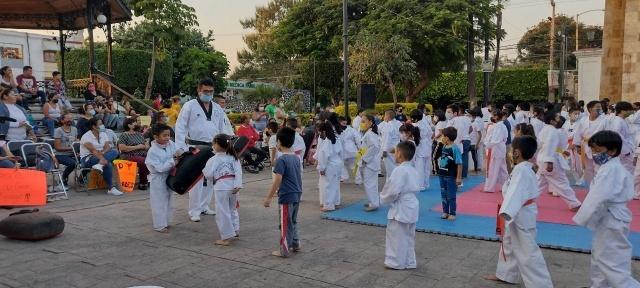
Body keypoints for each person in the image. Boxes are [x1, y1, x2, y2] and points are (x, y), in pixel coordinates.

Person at [573, 131, 640, 288]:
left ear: (612, 151)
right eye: (593, 150)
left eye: (597, 150)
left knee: (611, 263)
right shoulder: (609, 167)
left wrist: (582, 217)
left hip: (612, 220)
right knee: (599, 257)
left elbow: (598, 196)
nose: (595, 154)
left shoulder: (612, 170)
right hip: (609, 218)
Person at [484, 135, 553, 287]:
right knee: (508, 244)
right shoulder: (523, 168)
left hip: (520, 214)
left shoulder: (522, 170)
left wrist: (506, 211)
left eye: (511, 150)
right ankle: (506, 274)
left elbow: (515, 192)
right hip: (516, 211)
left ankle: (541, 284)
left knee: (527, 251)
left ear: (517, 153)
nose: (509, 152)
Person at [175, 78, 227, 222]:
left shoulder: (217, 108)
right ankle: (194, 210)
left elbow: (222, 128)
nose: (208, 94)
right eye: (205, 91)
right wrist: (180, 148)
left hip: (214, 147)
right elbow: (180, 127)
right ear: (199, 91)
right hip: (195, 147)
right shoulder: (189, 106)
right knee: (196, 180)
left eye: (211, 91)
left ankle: (204, 206)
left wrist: (224, 146)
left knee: (210, 178)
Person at [380, 141, 420, 270]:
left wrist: (382, 198)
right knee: (409, 236)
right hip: (412, 205)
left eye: (396, 152)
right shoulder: (413, 169)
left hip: (401, 206)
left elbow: (392, 191)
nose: (394, 155)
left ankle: (395, 262)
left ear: (400, 154)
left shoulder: (399, 170)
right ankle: (409, 261)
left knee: (396, 235)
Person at [263, 127, 302, 258]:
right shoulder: (296, 158)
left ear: (279, 142)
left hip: (286, 195)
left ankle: (284, 249)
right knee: (293, 220)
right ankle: (295, 243)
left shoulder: (282, 160)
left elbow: (277, 179)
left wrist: (269, 198)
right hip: (297, 193)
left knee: (285, 222)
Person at [203, 134, 243, 246]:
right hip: (234, 187)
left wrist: (211, 177)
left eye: (213, 143)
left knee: (222, 212)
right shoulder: (234, 157)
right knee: (233, 208)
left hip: (221, 187)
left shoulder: (213, 159)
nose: (213, 145)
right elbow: (238, 173)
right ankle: (235, 230)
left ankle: (226, 237)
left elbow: (209, 174)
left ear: (217, 144)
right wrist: (237, 185)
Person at [537, 111, 581, 211]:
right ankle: (574, 204)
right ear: (552, 121)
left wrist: (562, 151)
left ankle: (525, 199)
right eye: (557, 117)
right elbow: (549, 147)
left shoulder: (545, 129)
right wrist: (549, 162)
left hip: (543, 159)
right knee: (561, 182)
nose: (559, 118)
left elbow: (546, 146)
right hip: (550, 161)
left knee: (538, 183)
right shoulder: (552, 131)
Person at [145, 124, 178, 233]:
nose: (167, 138)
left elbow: (177, 153)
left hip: (170, 176)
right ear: (156, 137)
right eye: (164, 135)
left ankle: (167, 222)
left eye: (168, 135)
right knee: (159, 202)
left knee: (169, 200)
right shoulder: (152, 151)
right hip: (158, 178)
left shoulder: (171, 144)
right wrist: (173, 161)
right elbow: (159, 168)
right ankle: (159, 225)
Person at [79, 118, 122, 196]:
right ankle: (110, 188)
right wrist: (102, 158)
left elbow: (107, 147)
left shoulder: (103, 134)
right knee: (107, 163)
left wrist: (103, 153)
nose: (103, 126)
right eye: (100, 124)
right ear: (94, 126)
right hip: (88, 158)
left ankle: (100, 165)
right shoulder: (86, 136)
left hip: (101, 155)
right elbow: (93, 151)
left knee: (115, 151)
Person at [573, 100, 606, 189]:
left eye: (601, 107)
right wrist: (578, 146)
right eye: (598, 107)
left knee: (599, 169)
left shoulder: (604, 120)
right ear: (590, 109)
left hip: (599, 147)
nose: (600, 109)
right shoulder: (583, 120)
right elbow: (578, 133)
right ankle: (591, 188)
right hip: (585, 146)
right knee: (588, 170)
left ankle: (599, 189)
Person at [316, 122, 342, 212]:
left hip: (330, 165)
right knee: (335, 184)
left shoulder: (327, 141)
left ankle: (328, 205)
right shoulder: (336, 139)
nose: (319, 134)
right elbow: (341, 152)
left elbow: (324, 156)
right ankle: (336, 202)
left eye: (319, 132)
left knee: (329, 186)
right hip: (338, 163)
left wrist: (321, 168)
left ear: (323, 131)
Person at [437, 127, 463, 221]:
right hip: (442, 174)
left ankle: (452, 213)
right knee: (443, 194)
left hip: (451, 176)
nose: (442, 137)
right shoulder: (444, 146)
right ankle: (445, 211)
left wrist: (458, 178)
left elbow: (459, 163)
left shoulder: (455, 148)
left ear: (447, 137)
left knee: (451, 195)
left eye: (443, 136)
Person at [118, 118, 150, 190]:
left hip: (142, 153)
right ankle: (143, 182)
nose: (137, 124)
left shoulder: (139, 134)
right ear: (129, 125)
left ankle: (151, 180)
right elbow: (122, 148)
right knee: (144, 161)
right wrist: (137, 147)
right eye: (134, 122)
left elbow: (146, 145)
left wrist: (145, 146)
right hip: (129, 155)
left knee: (153, 159)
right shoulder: (124, 135)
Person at [359, 114, 381, 212]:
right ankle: (373, 201)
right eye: (361, 121)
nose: (362, 123)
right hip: (370, 162)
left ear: (370, 122)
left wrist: (365, 159)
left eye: (364, 121)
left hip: (370, 163)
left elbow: (375, 147)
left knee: (370, 184)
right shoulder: (368, 133)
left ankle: (374, 204)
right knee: (372, 184)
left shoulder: (370, 134)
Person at [484, 110, 509, 193]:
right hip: (500, 148)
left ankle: (489, 188)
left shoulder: (499, 126)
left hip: (496, 148)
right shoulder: (501, 125)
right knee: (502, 169)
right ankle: (506, 186)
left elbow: (496, 140)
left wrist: (487, 145)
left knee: (493, 168)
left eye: (494, 116)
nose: (493, 117)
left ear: (497, 117)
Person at [606, 101, 634, 174]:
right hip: (623, 152)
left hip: (625, 150)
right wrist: (626, 151)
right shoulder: (617, 121)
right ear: (623, 111)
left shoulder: (622, 120)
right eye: (629, 110)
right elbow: (617, 136)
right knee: (626, 171)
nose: (631, 112)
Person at [446, 104, 472, 179]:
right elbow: (471, 129)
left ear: (457, 112)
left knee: (456, 159)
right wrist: (466, 134)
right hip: (466, 139)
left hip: (457, 141)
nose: (447, 114)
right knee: (464, 158)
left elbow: (449, 132)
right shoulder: (467, 119)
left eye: (449, 112)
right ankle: (463, 174)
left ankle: (456, 175)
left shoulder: (453, 121)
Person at [53, 112, 78, 186]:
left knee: (86, 161)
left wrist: (76, 149)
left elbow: (75, 142)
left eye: (71, 118)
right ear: (62, 121)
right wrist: (71, 148)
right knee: (73, 163)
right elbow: (57, 148)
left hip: (72, 153)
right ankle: (64, 177)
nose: (70, 120)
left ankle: (81, 179)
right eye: (68, 118)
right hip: (60, 154)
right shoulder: (58, 130)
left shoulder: (74, 129)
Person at [564, 107, 584, 185]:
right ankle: (578, 180)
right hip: (566, 145)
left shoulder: (580, 124)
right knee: (569, 164)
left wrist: (573, 144)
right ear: (569, 114)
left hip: (575, 146)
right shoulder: (566, 123)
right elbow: (563, 133)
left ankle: (581, 179)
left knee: (578, 165)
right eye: (575, 114)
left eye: (578, 114)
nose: (577, 115)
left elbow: (578, 135)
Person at [339, 116, 361, 182]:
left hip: (350, 150)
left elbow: (358, 140)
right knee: (342, 164)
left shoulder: (352, 129)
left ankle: (355, 179)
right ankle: (346, 177)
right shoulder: (351, 129)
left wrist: (360, 149)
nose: (344, 123)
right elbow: (358, 139)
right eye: (343, 122)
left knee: (354, 166)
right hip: (345, 149)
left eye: (345, 122)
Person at [380, 110, 402, 176]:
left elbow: (387, 139)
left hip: (389, 149)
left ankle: (392, 183)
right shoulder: (398, 123)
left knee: (390, 169)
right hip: (397, 147)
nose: (384, 117)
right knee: (396, 165)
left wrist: (384, 151)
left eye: (385, 115)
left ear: (388, 116)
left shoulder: (388, 126)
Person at [469, 108, 483, 174]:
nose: (469, 117)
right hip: (470, 141)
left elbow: (480, 134)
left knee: (474, 157)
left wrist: (477, 144)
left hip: (474, 142)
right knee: (473, 156)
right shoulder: (471, 122)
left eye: (469, 116)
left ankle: (476, 170)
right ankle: (475, 169)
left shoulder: (476, 122)